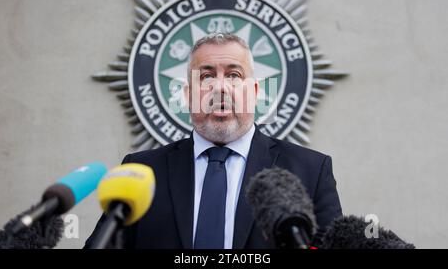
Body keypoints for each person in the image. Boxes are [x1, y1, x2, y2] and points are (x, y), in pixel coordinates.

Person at [85, 32, 342, 249]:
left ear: (253, 92)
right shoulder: (140, 174)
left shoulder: (310, 171)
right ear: (188, 95)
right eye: (206, 76)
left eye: (233, 75)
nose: (220, 87)